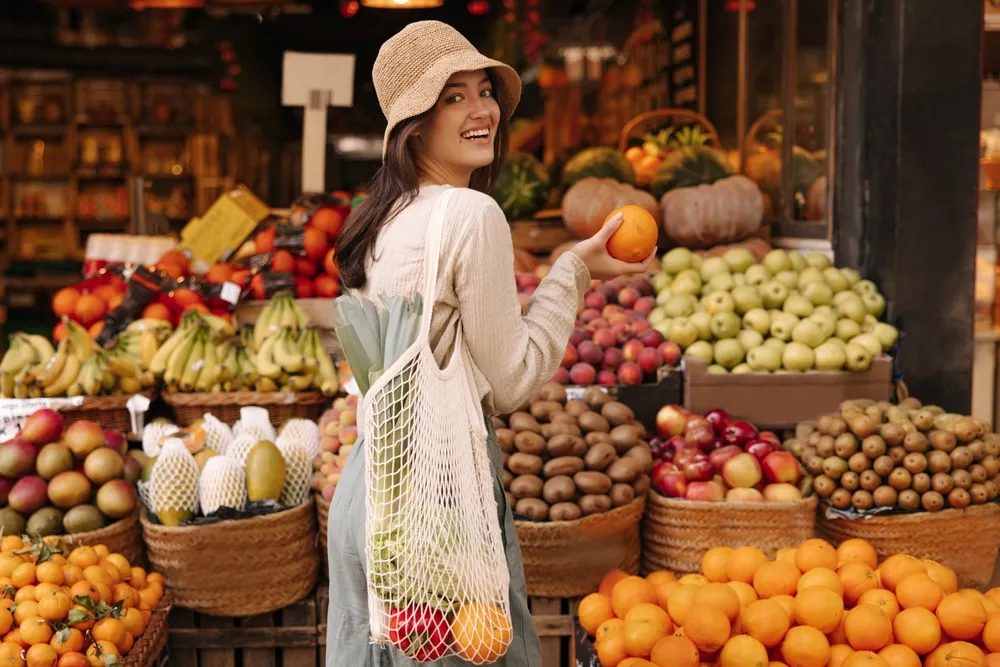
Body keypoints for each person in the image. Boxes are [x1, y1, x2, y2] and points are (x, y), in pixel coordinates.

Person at [326, 20, 655, 666]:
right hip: (439, 494)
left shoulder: (380, 219)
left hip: (369, 486)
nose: (483, 111)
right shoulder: (472, 215)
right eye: (454, 97)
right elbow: (512, 380)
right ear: (414, 127)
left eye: (485, 91)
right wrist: (570, 272)